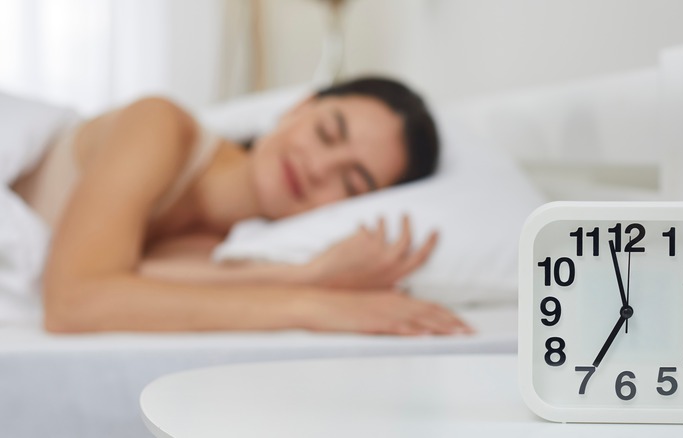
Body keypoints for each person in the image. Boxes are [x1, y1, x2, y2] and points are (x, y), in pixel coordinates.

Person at [11, 77, 473, 335]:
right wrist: (313, 305)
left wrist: (308, 274)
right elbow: (75, 302)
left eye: (351, 182)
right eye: (327, 133)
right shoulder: (160, 126)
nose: (317, 168)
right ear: (298, 107)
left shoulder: (224, 245)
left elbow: (135, 284)